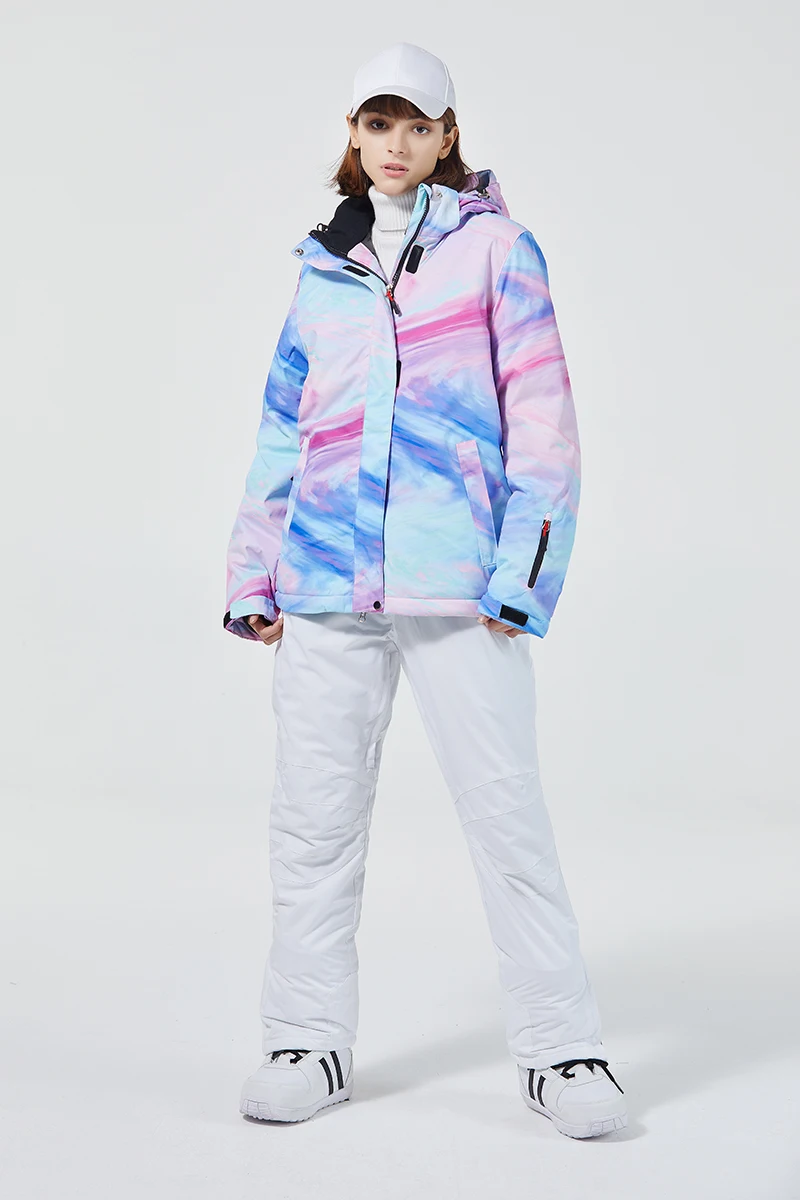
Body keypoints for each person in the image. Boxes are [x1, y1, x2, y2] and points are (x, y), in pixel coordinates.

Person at [224, 41, 627, 1137]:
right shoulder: (322, 265)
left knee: (506, 820)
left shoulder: (497, 251)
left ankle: (561, 1051)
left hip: (459, 590)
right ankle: (307, 1042)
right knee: (311, 826)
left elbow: (543, 422)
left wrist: (521, 579)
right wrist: (254, 569)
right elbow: (282, 429)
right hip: (322, 584)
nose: (395, 144)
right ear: (352, 137)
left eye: (416, 125)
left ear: (448, 135)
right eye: (377, 124)